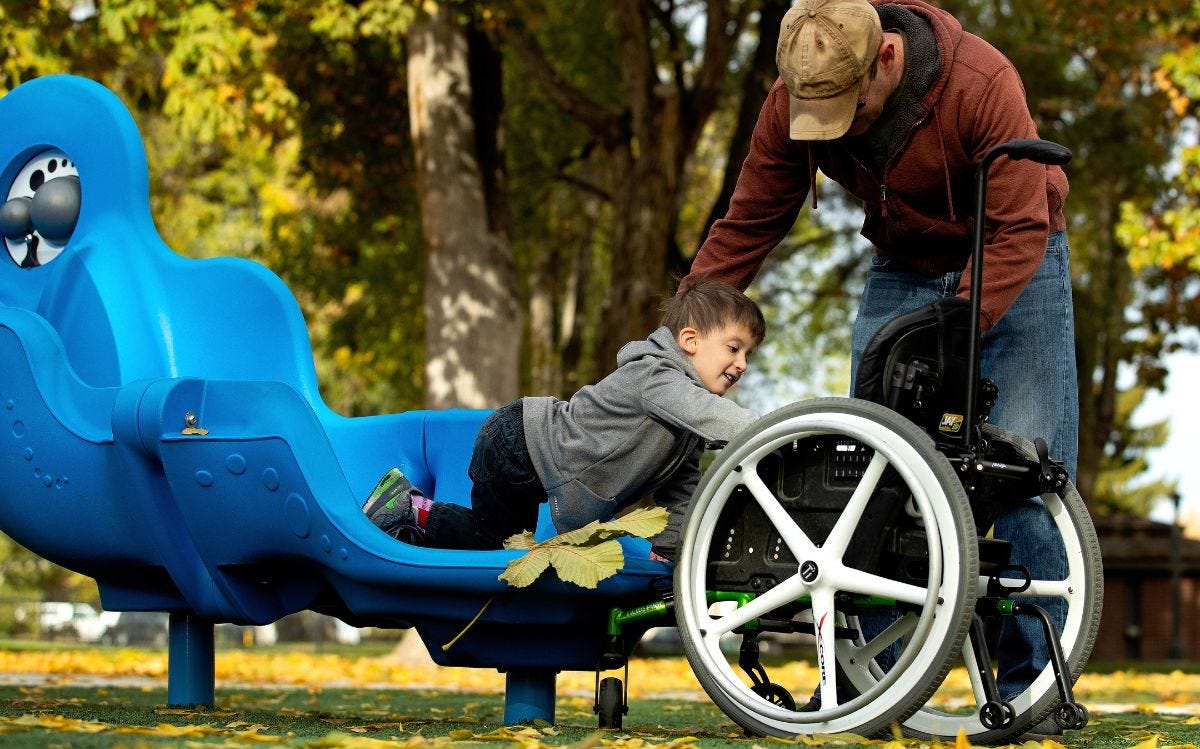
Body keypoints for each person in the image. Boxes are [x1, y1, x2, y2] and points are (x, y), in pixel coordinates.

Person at [682, 0, 1076, 731]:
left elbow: (1020, 221)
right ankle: (883, 681)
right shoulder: (792, 98)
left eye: (847, 106)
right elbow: (750, 220)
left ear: (887, 59)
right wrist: (685, 324)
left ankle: (1036, 689)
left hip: (1016, 256)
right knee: (874, 472)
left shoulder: (983, 83)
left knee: (1025, 463)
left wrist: (962, 319)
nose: (834, 126)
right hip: (902, 261)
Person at [363, 279, 766, 562]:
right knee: (495, 547)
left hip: (526, 455)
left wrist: (673, 542)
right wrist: (779, 432)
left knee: (493, 545)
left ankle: (409, 510)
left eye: (748, 354)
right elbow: (713, 416)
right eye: (734, 348)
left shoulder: (683, 431)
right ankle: (409, 510)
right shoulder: (656, 377)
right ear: (690, 341)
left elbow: (682, 489)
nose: (742, 364)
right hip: (518, 443)